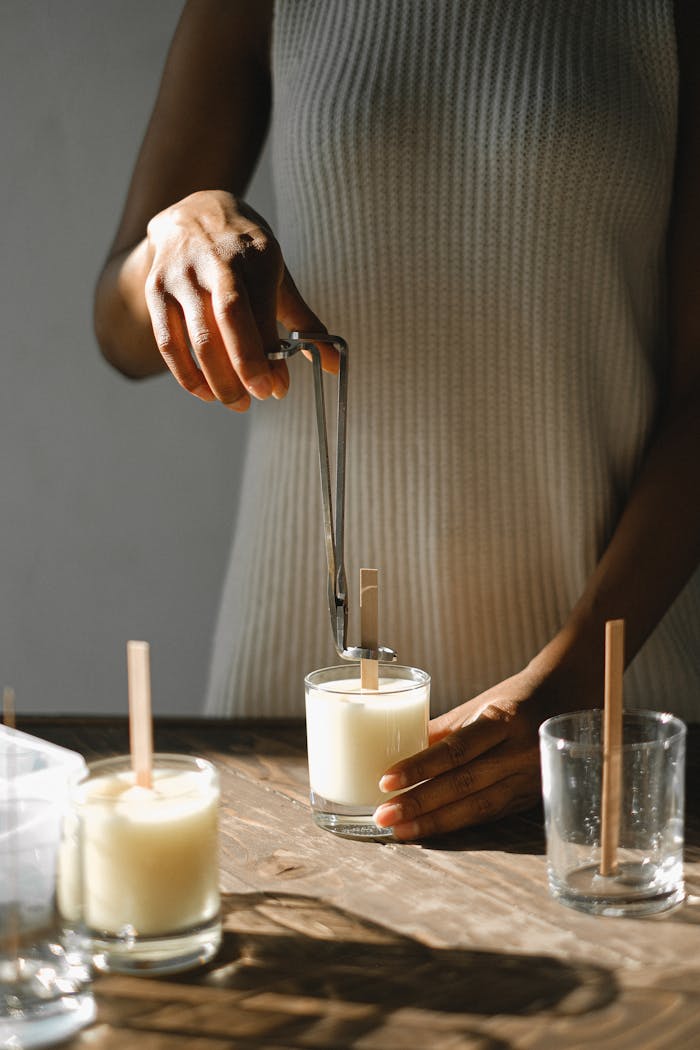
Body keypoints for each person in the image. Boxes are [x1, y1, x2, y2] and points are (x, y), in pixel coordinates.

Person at [95, 0, 700, 840]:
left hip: (603, 712)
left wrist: (573, 685)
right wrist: (174, 233)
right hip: (293, 716)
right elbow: (117, 332)